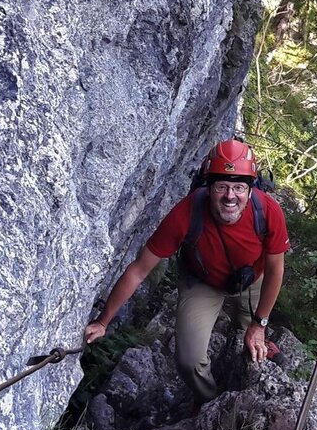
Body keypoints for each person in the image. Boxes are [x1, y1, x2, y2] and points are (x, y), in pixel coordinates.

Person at [84, 138, 290, 404]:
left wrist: (259, 324)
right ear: (209, 187)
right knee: (189, 361)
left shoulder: (268, 211)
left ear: (250, 191)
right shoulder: (185, 214)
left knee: (250, 338)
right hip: (203, 283)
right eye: (222, 186)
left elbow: (275, 270)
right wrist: (103, 322)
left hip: (251, 279)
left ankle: (257, 342)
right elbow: (139, 270)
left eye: (239, 187)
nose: (230, 196)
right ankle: (209, 401)